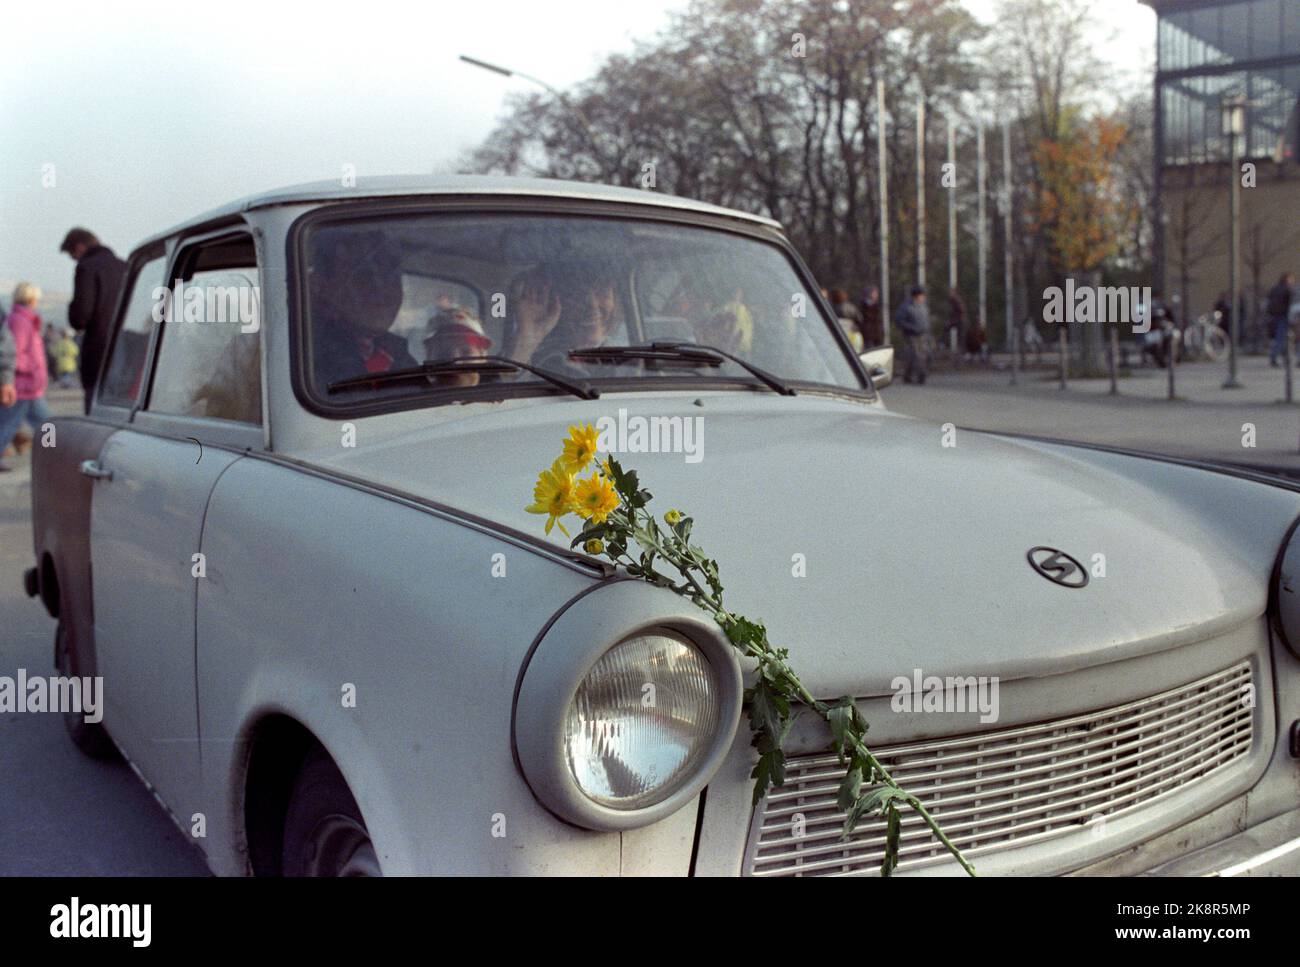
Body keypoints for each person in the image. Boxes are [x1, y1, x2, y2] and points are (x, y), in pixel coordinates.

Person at [307, 229, 418, 393]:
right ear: (321, 285)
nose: (382, 290)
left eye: (391, 276)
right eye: (362, 275)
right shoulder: (306, 354)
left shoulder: (395, 353)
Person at [61, 227, 127, 413]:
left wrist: (72, 307)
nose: (74, 260)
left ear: (80, 247)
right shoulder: (125, 266)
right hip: (127, 351)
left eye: (72, 255)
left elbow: (80, 317)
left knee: (96, 413)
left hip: (98, 352)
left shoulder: (86, 268)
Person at [0, 284, 51, 473]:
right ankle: (51, 454)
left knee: (43, 422)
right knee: (44, 423)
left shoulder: (22, 319)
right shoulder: (21, 322)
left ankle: (50, 454)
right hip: (23, 386)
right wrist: (34, 368)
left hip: (28, 387)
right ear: (31, 299)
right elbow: (16, 354)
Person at [423, 307, 492, 387]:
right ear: (429, 356)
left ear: (483, 356)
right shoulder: (413, 397)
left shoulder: (504, 395)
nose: (456, 363)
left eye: (466, 352)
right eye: (444, 353)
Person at [894, 285, 930, 384]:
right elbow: (899, 320)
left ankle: (909, 375)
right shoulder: (906, 307)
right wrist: (910, 327)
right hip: (911, 335)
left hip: (922, 334)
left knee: (922, 354)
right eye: (921, 295)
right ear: (916, 296)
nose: (923, 297)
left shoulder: (923, 306)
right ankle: (920, 375)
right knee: (916, 354)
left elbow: (925, 320)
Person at [1267, 272, 1295, 367]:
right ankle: (1274, 357)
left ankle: (1285, 358)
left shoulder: (1275, 288)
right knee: (1281, 337)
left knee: (1282, 338)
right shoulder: (1287, 289)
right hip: (1284, 315)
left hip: (1275, 315)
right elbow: (1291, 303)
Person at [946, 287, 966, 352]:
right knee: (947, 328)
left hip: (959, 321)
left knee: (960, 336)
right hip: (956, 320)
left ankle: (961, 350)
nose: (949, 293)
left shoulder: (956, 300)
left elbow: (961, 310)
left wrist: (954, 320)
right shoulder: (952, 300)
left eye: (951, 292)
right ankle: (944, 344)